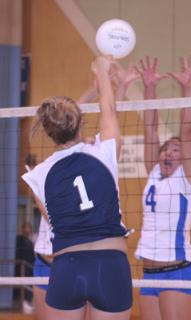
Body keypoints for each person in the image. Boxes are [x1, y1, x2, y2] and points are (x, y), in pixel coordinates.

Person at [22, 55, 133, 320]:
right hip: (110, 265)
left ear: (49, 133)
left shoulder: (39, 175)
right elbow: (109, 109)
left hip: (66, 268)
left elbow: (53, 221)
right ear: (81, 122)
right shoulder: (103, 152)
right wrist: (102, 72)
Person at [135, 56, 191, 320]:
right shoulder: (154, 171)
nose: (169, 152)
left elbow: (187, 132)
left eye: (176, 150)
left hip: (177, 272)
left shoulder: (188, 179)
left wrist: (188, 88)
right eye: (166, 148)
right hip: (149, 273)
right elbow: (149, 128)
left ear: (184, 157)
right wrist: (149, 87)